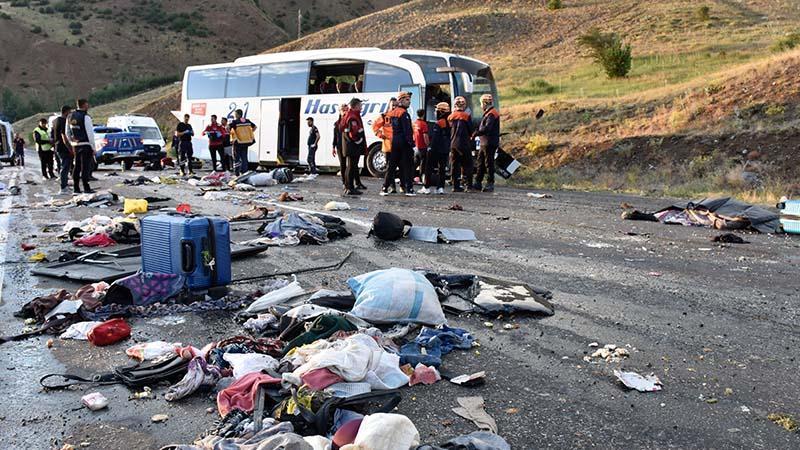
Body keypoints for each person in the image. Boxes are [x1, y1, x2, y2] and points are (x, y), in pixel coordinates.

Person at [382, 91, 415, 196]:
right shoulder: (404, 114)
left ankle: (385, 188)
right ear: (401, 100)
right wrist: (412, 144)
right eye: (407, 100)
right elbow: (407, 131)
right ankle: (409, 189)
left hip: (395, 142)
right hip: (404, 143)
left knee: (391, 166)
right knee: (407, 166)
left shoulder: (392, 113)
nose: (409, 102)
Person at [66, 98, 95, 194]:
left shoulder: (70, 116)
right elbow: (90, 133)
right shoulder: (86, 117)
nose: (88, 106)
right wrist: (93, 147)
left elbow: (67, 132)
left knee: (77, 166)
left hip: (76, 145)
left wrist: (71, 141)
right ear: (84, 105)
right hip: (85, 144)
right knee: (85, 167)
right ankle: (86, 187)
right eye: (87, 104)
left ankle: (76, 188)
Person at [472, 94, 500, 192]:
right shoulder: (489, 113)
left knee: (489, 163)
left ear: (484, 103)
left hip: (489, 142)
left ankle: (490, 183)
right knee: (481, 162)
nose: (481, 106)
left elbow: (487, 128)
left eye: (481, 103)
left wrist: (476, 133)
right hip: (484, 142)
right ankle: (478, 182)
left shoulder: (491, 114)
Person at [421, 102, 450, 195]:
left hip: (436, 149)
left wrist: (430, 148)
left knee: (429, 168)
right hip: (445, 149)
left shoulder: (439, 123)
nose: (435, 112)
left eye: (436, 110)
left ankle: (426, 187)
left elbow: (435, 138)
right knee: (442, 169)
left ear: (440, 112)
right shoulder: (449, 122)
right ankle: (440, 187)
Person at [340, 98, 367, 196]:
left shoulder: (349, 115)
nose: (361, 108)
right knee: (351, 167)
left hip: (349, 145)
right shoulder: (353, 117)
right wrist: (359, 141)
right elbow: (353, 133)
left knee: (350, 167)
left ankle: (348, 187)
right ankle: (350, 188)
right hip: (353, 146)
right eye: (360, 106)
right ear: (355, 106)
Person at [448, 96, 474, 192]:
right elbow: (471, 130)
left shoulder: (450, 116)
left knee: (455, 165)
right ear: (464, 105)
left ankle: (455, 185)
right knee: (468, 164)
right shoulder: (466, 116)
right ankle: (469, 186)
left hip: (453, 143)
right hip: (464, 143)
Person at [373, 97, 396, 192]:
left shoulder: (400, 116)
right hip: (388, 146)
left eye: (396, 105)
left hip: (398, 146)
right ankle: (392, 186)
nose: (394, 107)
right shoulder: (384, 116)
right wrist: (380, 135)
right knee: (390, 167)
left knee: (401, 167)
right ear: (389, 105)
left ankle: (402, 186)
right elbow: (375, 126)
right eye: (393, 105)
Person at [53, 105, 74, 195]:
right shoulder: (63, 121)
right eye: (70, 112)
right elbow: (64, 135)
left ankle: (65, 185)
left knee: (64, 166)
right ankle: (63, 187)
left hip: (57, 146)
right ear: (66, 112)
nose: (71, 114)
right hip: (63, 147)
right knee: (65, 167)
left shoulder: (55, 121)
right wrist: (70, 148)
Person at [229, 109, 256, 176]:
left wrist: (230, 133)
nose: (235, 116)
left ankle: (237, 173)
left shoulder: (235, 122)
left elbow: (228, 127)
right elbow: (255, 127)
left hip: (238, 142)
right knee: (244, 158)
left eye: (235, 114)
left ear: (238, 114)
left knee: (236, 158)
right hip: (246, 142)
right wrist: (248, 133)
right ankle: (244, 172)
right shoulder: (247, 121)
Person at [333, 104, 348, 189]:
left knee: (350, 165)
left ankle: (350, 181)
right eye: (343, 110)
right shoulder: (337, 123)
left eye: (346, 110)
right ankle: (344, 182)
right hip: (340, 146)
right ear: (340, 112)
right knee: (342, 164)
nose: (345, 112)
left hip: (348, 145)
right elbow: (335, 136)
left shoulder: (349, 121)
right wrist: (333, 147)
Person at [413, 108, 430, 187]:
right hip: (422, 147)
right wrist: (428, 145)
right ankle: (420, 179)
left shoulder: (415, 123)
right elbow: (425, 135)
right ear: (423, 115)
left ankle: (410, 178)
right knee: (422, 164)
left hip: (416, 146)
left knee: (415, 163)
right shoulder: (423, 124)